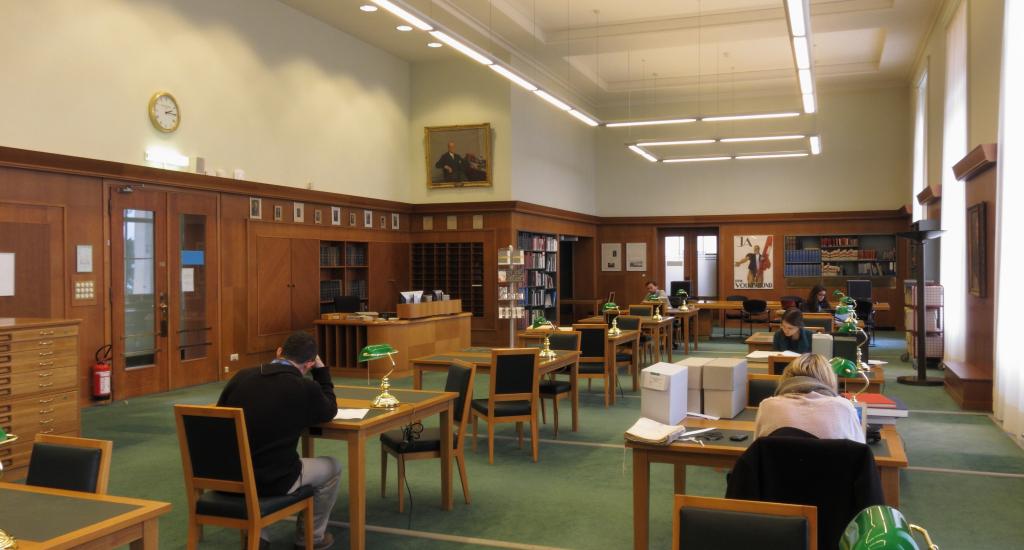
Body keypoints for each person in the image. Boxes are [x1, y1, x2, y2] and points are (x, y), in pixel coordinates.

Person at [217, 331, 340, 550]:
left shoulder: (241, 377)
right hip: (273, 479)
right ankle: (311, 538)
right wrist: (322, 373)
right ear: (310, 363)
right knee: (333, 466)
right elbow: (329, 410)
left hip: (229, 476)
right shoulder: (305, 388)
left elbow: (220, 420)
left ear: (279, 352)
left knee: (255, 451)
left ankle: (258, 537)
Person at [754, 353, 865, 442]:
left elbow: (757, 452)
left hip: (778, 470)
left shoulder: (767, 406)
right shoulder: (844, 408)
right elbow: (859, 452)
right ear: (828, 379)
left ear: (786, 377)